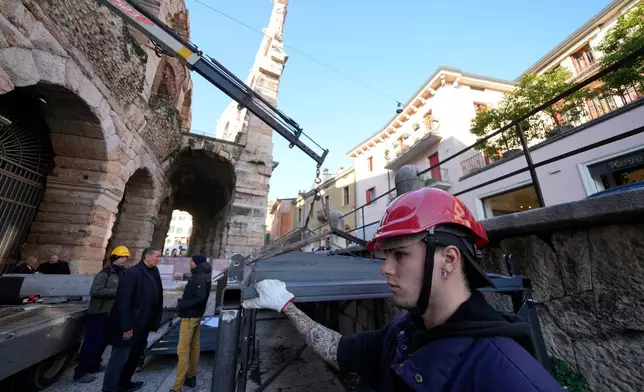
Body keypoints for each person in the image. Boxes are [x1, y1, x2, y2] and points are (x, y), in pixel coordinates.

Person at [243, 188, 563, 392]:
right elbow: (338, 349)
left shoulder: (507, 376)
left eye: (400, 254)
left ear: (448, 260)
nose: (385, 268)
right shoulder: (403, 333)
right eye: (385, 256)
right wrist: (286, 305)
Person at [103, 247, 163, 392]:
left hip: (143, 323)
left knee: (134, 356)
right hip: (130, 325)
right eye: (157, 256)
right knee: (120, 358)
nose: (159, 259)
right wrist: (126, 327)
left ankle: (125, 383)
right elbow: (123, 303)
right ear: (147, 257)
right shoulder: (132, 273)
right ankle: (110, 388)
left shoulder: (154, 271)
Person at [74, 246, 130, 383]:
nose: (124, 260)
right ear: (115, 258)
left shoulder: (124, 273)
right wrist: (116, 292)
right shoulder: (105, 273)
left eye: (126, 258)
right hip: (99, 313)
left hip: (112, 313)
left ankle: (94, 365)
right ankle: (80, 372)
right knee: (91, 342)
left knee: (103, 342)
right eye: (122, 257)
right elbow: (96, 290)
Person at [170, 254, 212, 392]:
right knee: (194, 345)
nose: (190, 263)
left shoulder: (199, 276)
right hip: (197, 315)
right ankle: (191, 376)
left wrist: (182, 305)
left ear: (196, 263)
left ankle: (177, 387)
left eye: (192, 261)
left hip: (190, 316)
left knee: (183, 350)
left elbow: (200, 298)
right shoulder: (204, 274)